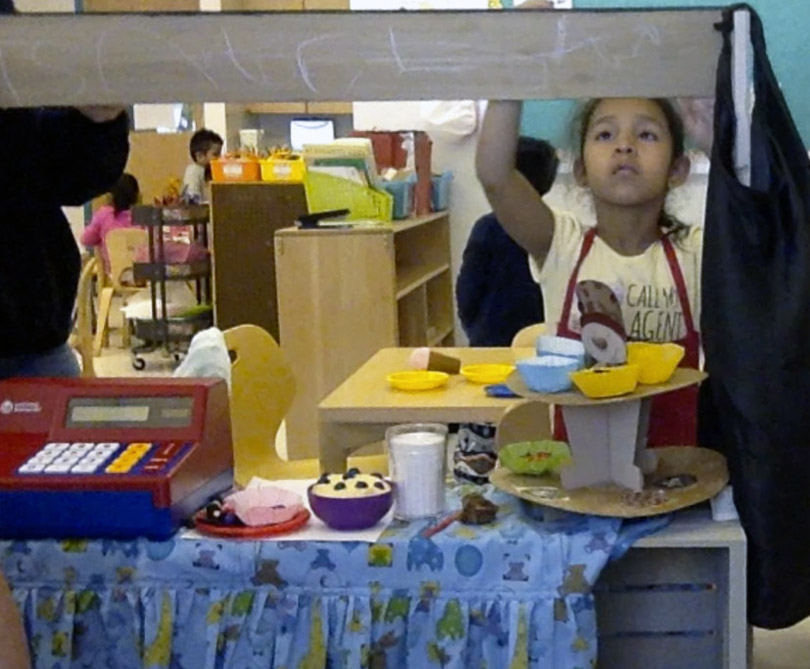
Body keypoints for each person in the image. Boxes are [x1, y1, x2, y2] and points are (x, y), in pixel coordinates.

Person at [477, 97, 700, 447]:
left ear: (678, 169)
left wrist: (715, 134)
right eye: (605, 134)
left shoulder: (697, 252)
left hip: (675, 482)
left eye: (647, 135)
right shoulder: (562, 245)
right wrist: (510, 79)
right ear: (580, 170)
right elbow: (495, 176)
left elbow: (765, 218)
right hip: (578, 485)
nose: (624, 146)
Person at [456, 136, 558, 346]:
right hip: (543, 341)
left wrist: (475, 329)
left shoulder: (486, 228)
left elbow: (467, 291)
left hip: (489, 339)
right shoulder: (557, 227)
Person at [80, 173, 141, 274]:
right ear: (136, 196)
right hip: (142, 278)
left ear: (111, 196)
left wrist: (100, 238)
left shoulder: (103, 215)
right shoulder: (143, 218)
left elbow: (85, 239)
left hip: (113, 277)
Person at [182, 128, 223, 203]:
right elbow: (192, 198)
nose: (219, 158)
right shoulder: (193, 171)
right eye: (215, 154)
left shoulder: (212, 171)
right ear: (200, 156)